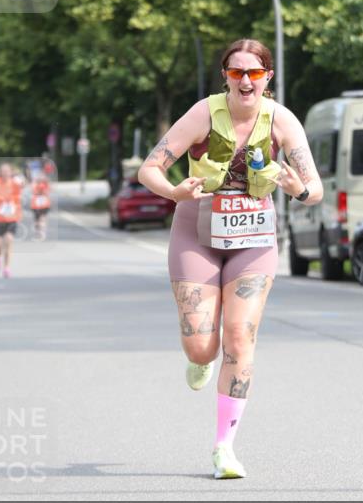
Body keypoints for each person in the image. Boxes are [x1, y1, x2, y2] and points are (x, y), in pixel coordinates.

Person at [138, 38, 323, 480]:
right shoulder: (204, 113)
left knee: (239, 340)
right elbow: (149, 169)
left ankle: (224, 448)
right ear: (225, 75)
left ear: (267, 78)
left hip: (254, 237)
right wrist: (174, 191)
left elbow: (314, 190)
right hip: (196, 230)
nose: (245, 81)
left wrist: (292, 185)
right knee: (203, 344)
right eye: (237, 72)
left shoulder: (282, 121)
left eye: (254, 73)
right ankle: (200, 359)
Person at [0, 163, 23, 277]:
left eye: (7, 171)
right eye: (3, 171)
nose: (5, 173)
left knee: (8, 240)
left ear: (11, 172)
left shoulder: (15, 183)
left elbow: (25, 184)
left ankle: (6, 267)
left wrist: (21, 178)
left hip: (11, 218)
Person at [30, 175, 51, 239]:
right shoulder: (35, 184)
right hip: (36, 205)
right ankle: (38, 232)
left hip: (44, 204)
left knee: (42, 219)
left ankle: (41, 233)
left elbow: (48, 191)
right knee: (37, 220)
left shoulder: (46, 184)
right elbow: (33, 191)